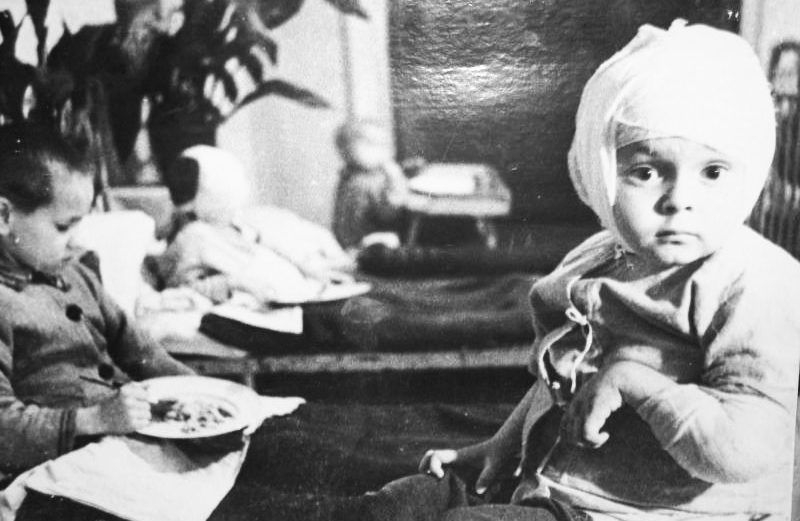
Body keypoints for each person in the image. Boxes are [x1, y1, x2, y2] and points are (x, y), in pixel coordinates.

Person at [405, 20, 800, 521]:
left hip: (656, 513)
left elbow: (744, 449)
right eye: (646, 172)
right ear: (601, 175)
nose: (680, 200)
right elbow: (561, 377)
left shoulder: (756, 284)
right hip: (561, 490)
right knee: (406, 499)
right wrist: (499, 447)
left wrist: (632, 381)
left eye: (713, 172)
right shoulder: (599, 256)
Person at [0, 123, 195, 482]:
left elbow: (142, 353)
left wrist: (202, 393)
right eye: (63, 227)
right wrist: (94, 419)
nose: (78, 241)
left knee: (285, 439)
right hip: (57, 469)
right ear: (4, 216)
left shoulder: (77, 274)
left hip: (123, 445)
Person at [157, 144, 353, 305]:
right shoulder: (194, 236)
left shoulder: (237, 225)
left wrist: (309, 270)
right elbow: (180, 288)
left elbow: (274, 248)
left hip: (298, 293)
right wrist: (233, 283)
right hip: (264, 306)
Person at [332, 119, 409, 250]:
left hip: (347, 241)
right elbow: (390, 211)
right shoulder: (367, 181)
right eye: (376, 145)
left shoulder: (348, 175)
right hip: (364, 244)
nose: (387, 151)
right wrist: (396, 177)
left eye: (385, 145)